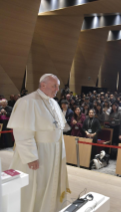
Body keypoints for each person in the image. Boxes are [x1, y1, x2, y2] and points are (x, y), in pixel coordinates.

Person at [7, 74, 70, 212]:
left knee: (50, 185)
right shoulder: (27, 102)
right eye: (54, 86)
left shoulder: (53, 103)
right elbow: (22, 132)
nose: (57, 90)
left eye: (58, 87)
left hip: (54, 153)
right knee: (37, 186)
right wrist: (31, 156)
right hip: (39, 154)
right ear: (43, 85)